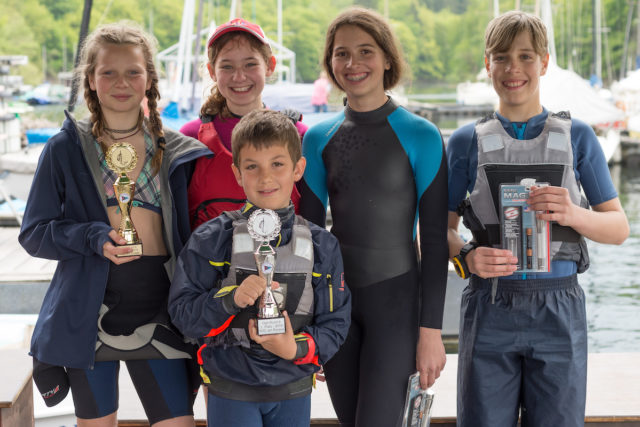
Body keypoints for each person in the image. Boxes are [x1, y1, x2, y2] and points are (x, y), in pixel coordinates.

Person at [18, 22, 210, 426]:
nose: (121, 82)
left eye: (133, 71)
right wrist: (91, 237)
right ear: (91, 78)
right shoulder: (64, 149)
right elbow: (34, 233)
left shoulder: (177, 152)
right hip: (90, 309)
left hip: (162, 309)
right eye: (108, 72)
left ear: (149, 79)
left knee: (178, 422)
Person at [447, 11, 629, 427]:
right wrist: (467, 258)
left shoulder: (577, 136)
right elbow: (439, 233)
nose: (514, 68)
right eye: (501, 57)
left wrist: (573, 213)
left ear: (544, 62)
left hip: (559, 307)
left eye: (526, 57)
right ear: (486, 63)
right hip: (489, 304)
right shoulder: (464, 143)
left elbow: (618, 229)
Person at [299, 7, 449, 427]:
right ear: (330, 63)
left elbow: (435, 242)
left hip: (396, 306)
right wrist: (305, 322)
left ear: (387, 59)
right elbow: (307, 236)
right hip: (335, 307)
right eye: (341, 53)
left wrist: (431, 332)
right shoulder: (317, 138)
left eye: (365, 51)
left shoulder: (421, 134)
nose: (353, 63)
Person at [168, 109, 351, 427]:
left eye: (277, 164)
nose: (266, 178)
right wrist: (230, 299)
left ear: (298, 169)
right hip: (231, 389)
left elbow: (335, 326)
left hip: (293, 391)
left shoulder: (323, 245)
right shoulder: (212, 238)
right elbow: (183, 316)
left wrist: (292, 346)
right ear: (238, 174)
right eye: (252, 167)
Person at [181, 18, 308, 229]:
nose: (239, 76)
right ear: (212, 72)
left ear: (269, 66)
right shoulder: (191, 137)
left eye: (250, 64)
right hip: (207, 261)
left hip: (283, 261)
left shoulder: (298, 134)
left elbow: (312, 221)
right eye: (227, 66)